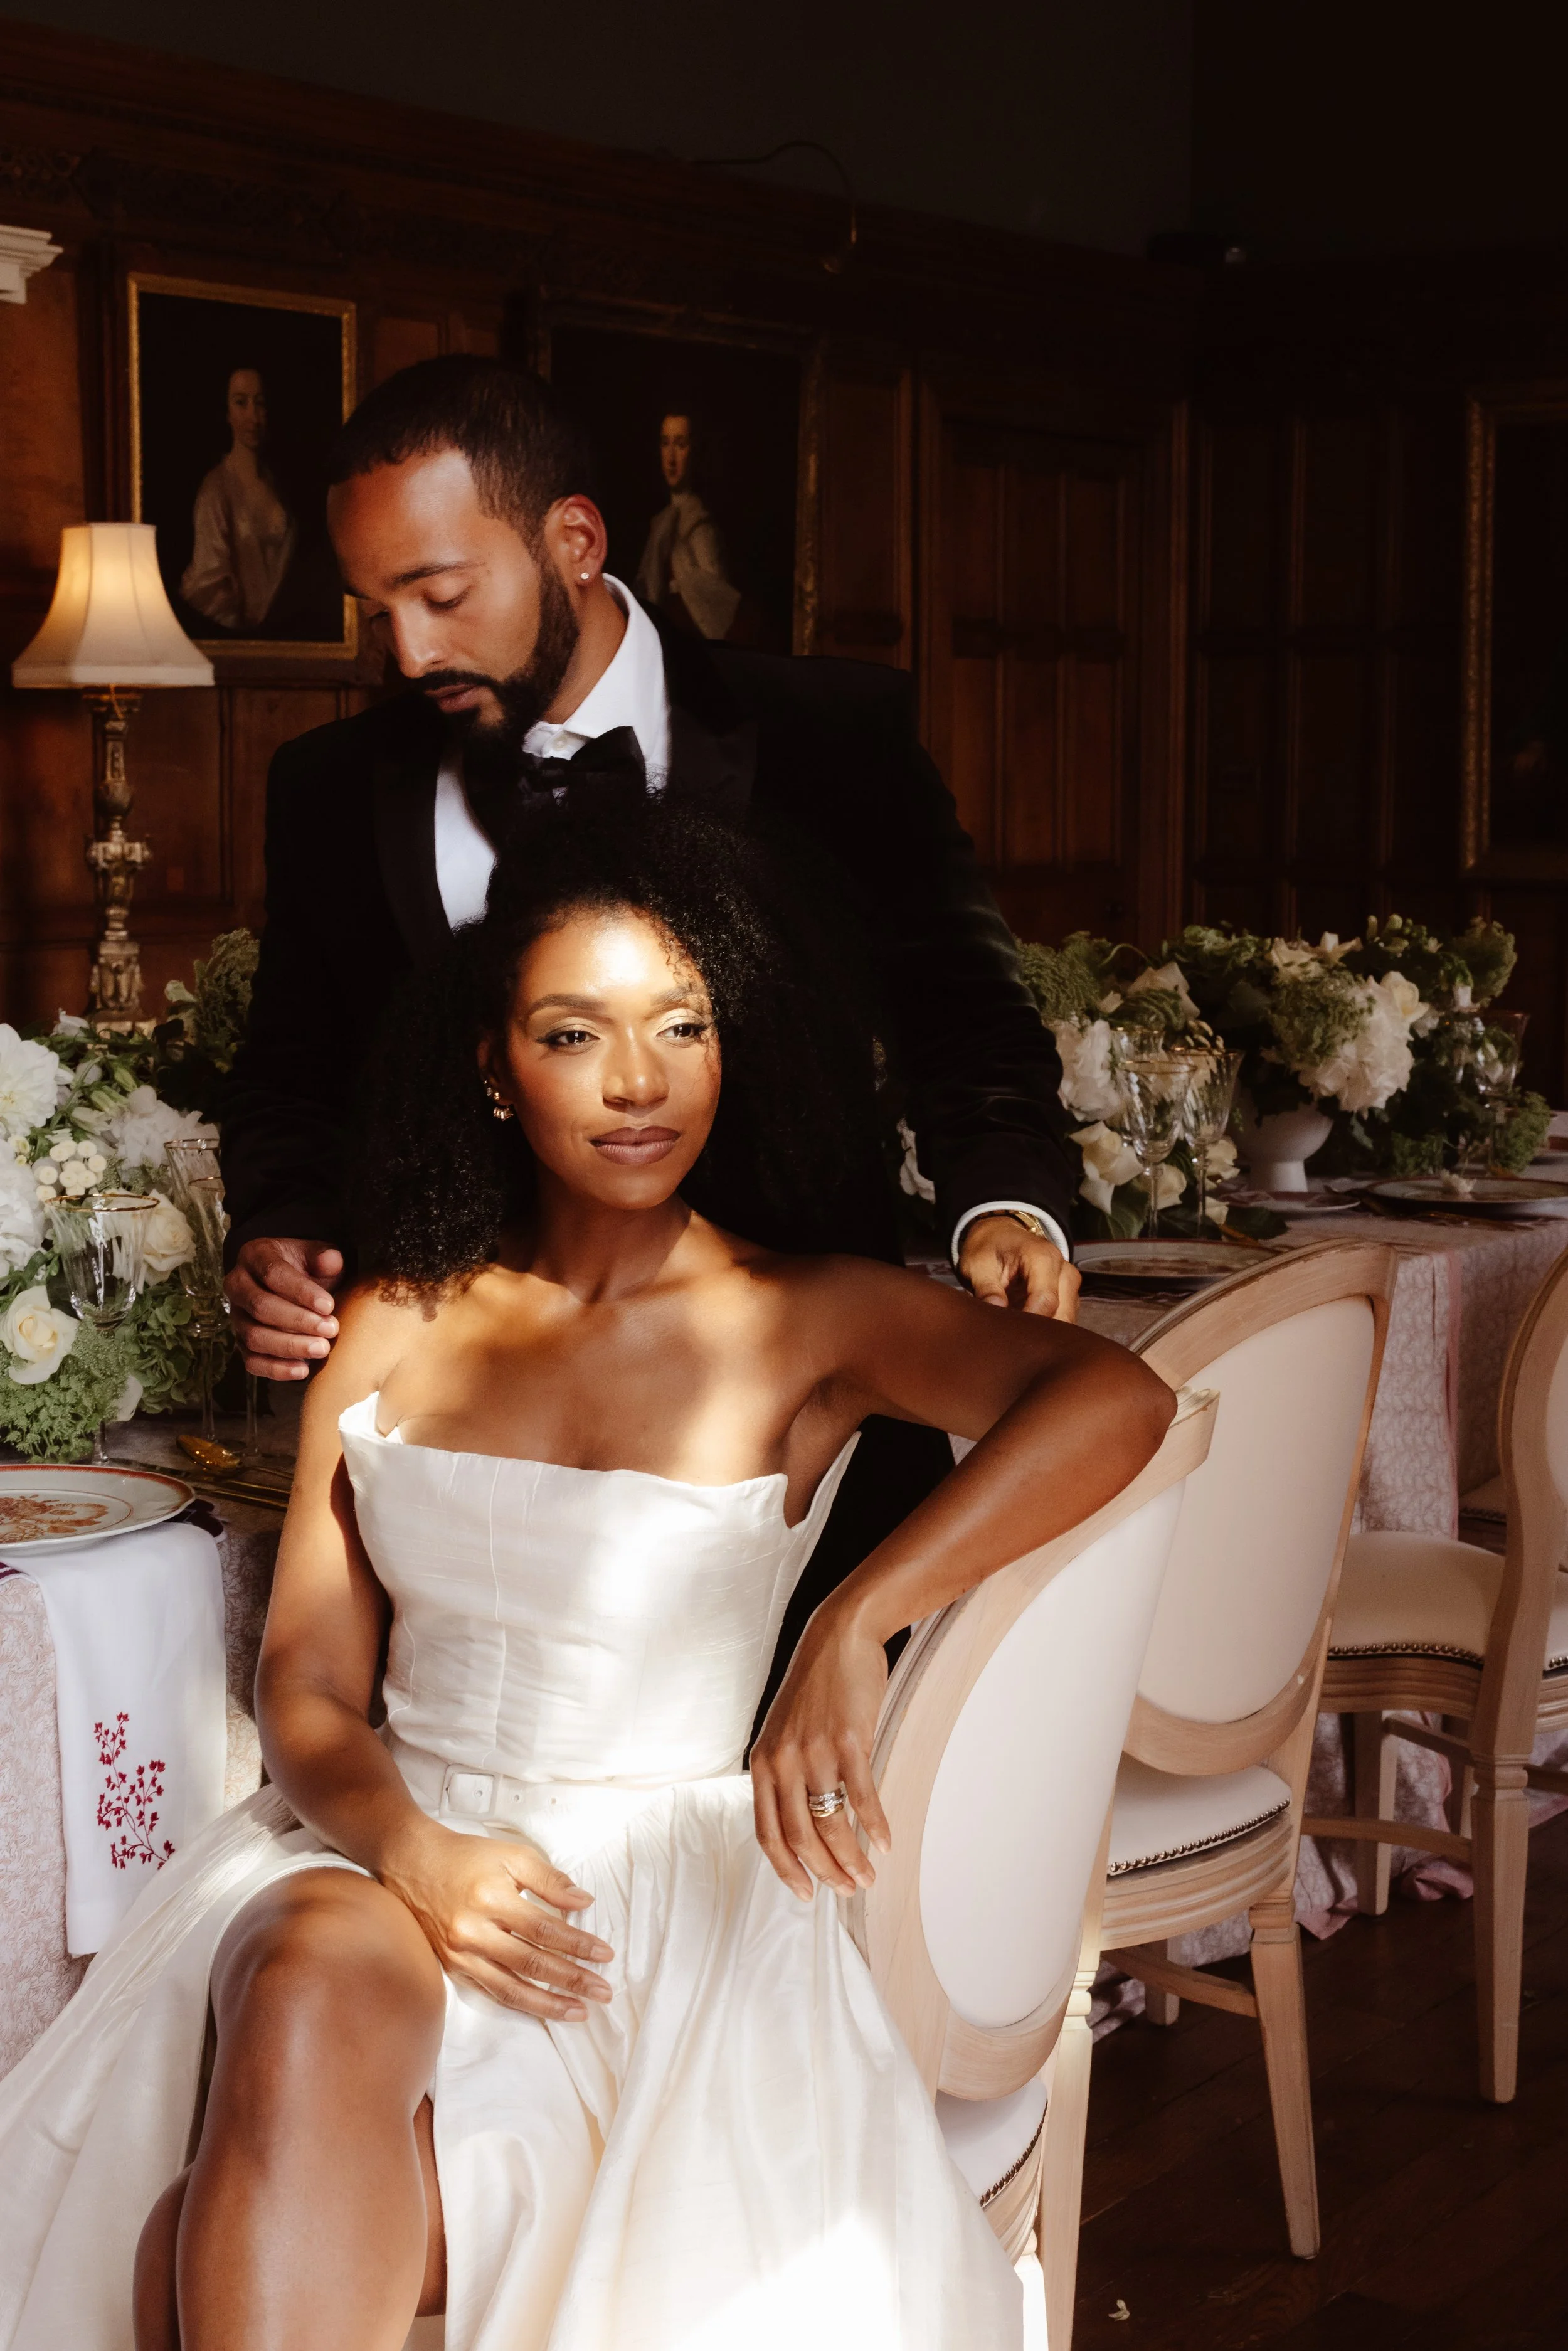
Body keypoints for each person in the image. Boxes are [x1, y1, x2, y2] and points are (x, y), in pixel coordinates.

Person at [0, 799, 1172, 2350]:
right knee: (295, 1972)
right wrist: (416, 1853)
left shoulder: (804, 1315)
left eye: (681, 1026)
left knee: (182, 2249)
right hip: (383, 1839)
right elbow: (305, 1687)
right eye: (575, 1034)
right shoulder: (400, 1318)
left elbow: (1118, 1399)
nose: (639, 1082)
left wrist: (851, 1615)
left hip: (656, 1902)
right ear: (492, 1067)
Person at [220, 355, 1082, 1660]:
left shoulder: (829, 735)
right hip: (474, 1458)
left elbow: (961, 1006)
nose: (406, 651)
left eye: (441, 594)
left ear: (572, 539)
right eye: (373, 607)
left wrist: (1004, 1194)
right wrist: (281, 1229)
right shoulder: (331, 786)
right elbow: (294, 1066)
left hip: (785, 1441)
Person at [180, 367, 297, 633]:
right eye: (241, 403)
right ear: (227, 412)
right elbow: (208, 582)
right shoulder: (216, 489)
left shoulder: (277, 485)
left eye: (260, 403)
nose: (253, 417)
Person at [633, 408, 743, 641]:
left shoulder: (701, 527)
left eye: (681, 445)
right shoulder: (661, 524)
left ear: (695, 450)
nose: (671, 458)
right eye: (666, 444)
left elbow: (716, 613)